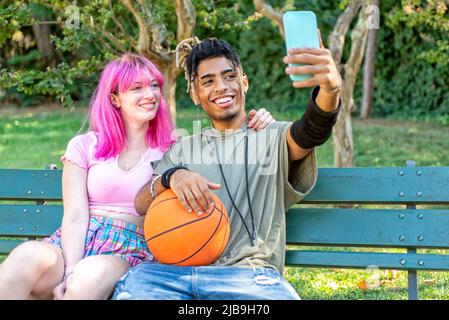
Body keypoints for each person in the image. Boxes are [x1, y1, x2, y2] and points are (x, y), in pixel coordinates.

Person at [0, 53, 274, 300]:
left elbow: (224, 137)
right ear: (115, 98)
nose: (150, 94)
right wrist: (69, 268)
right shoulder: (84, 145)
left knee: (87, 278)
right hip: (77, 240)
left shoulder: (174, 144)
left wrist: (259, 121)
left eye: (154, 86)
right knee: (26, 258)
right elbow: (74, 216)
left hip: (131, 247)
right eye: (137, 88)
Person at [111, 34, 342, 300]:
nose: (221, 86)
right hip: (174, 276)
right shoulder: (181, 149)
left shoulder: (273, 136)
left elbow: (312, 131)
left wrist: (330, 91)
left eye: (229, 76)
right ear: (195, 94)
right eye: (208, 81)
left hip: (248, 278)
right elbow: (142, 203)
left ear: (244, 82)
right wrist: (171, 177)